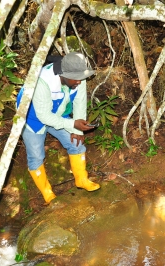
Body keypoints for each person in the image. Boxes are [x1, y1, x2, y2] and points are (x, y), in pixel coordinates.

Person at [16, 52, 100, 204]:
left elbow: (80, 102)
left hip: (57, 111)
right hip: (32, 117)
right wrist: (72, 124)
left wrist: (77, 130)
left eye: (81, 78)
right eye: (76, 79)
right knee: (36, 156)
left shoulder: (77, 78)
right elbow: (44, 116)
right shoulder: (41, 82)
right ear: (63, 74)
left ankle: (81, 179)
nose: (80, 82)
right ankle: (47, 193)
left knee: (76, 142)